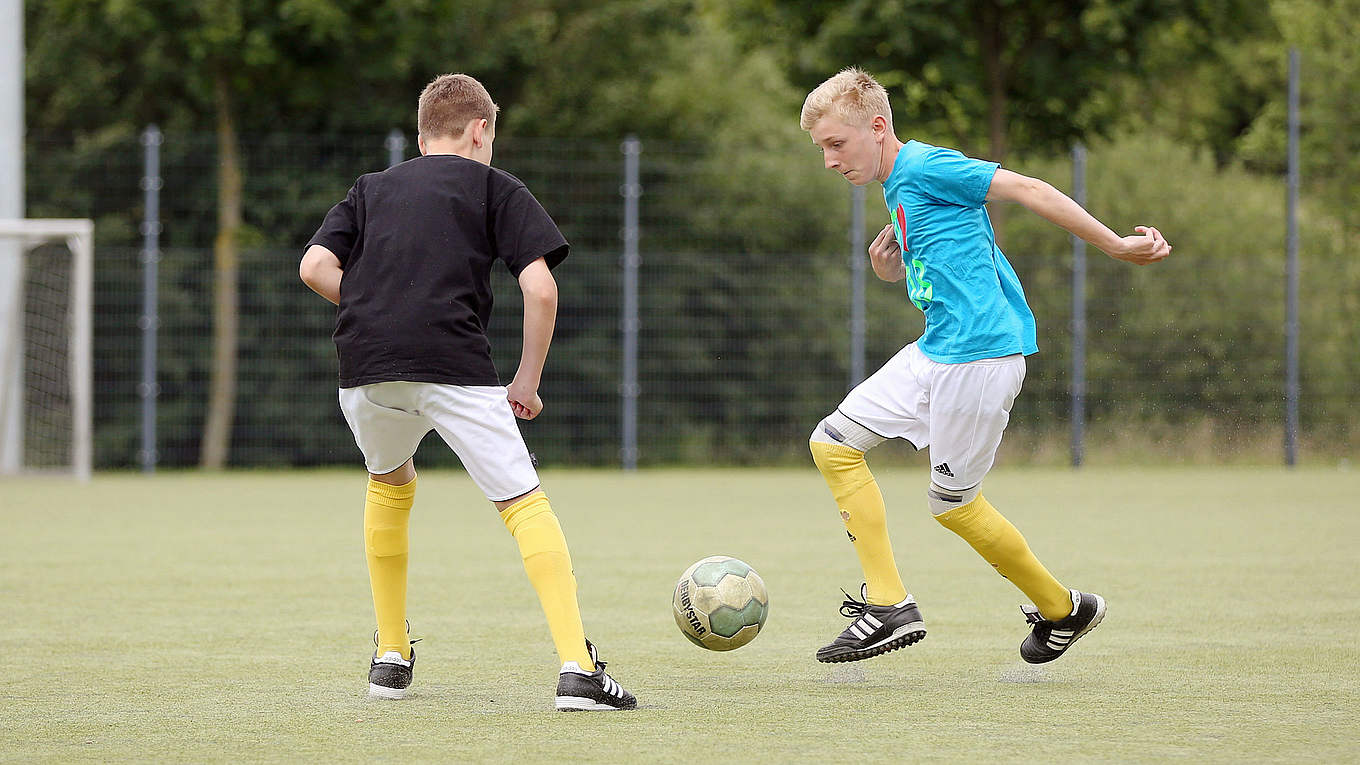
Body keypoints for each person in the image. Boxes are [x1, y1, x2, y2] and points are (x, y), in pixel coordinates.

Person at [799, 68, 1170, 665]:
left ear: (877, 126)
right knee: (833, 444)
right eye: (821, 149)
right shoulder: (896, 185)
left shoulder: (925, 166)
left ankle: (1062, 608)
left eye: (836, 144)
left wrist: (1116, 246)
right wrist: (892, 271)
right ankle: (888, 603)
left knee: (953, 505)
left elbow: (1030, 190)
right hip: (939, 347)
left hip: (980, 356)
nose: (829, 160)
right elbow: (943, 266)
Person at [299, 73, 635, 711]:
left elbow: (315, 266)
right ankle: (577, 668)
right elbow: (539, 289)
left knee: (390, 482)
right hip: (452, 361)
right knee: (522, 502)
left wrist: (374, 308)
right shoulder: (493, 187)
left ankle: (390, 657)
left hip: (365, 366)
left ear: (423, 133)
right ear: (481, 130)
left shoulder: (370, 189)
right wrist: (526, 382)